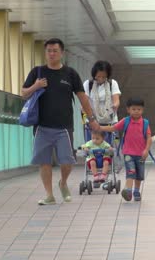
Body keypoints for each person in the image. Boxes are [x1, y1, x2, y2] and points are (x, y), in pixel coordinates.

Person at [21, 38, 100, 205]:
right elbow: (24, 93)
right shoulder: (37, 72)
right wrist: (36, 86)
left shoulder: (70, 74)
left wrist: (91, 119)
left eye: (55, 51)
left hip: (64, 126)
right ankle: (49, 195)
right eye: (48, 51)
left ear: (61, 53)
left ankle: (63, 183)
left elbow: (82, 98)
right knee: (44, 161)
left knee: (67, 161)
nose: (51, 54)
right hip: (41, 125)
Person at [100, 98, 152, 202]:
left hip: (141, 154)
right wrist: (99, 128)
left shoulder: (145, 123)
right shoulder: (126, 121)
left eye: (139, 109)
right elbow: (113, 128)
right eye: (133, 109)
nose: (136, 111)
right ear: (128, 110)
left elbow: (149, 137)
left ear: (143, 110)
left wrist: (146, 150)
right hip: (128, 153)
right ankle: (128, 191)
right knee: (131, 171)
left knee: (139, 174)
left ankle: (136, 191)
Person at [82, 61, 121, 141]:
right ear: (94, 74)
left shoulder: (112, 83)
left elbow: (116, 100)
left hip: (109, 122)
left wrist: (115, 105)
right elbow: (84, 102)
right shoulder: (88, 84)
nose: (101, 79)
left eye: (104, 77)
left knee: (109, 149)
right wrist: (87, 114)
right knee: (92, 147)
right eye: (98, 76)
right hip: (92, 121)